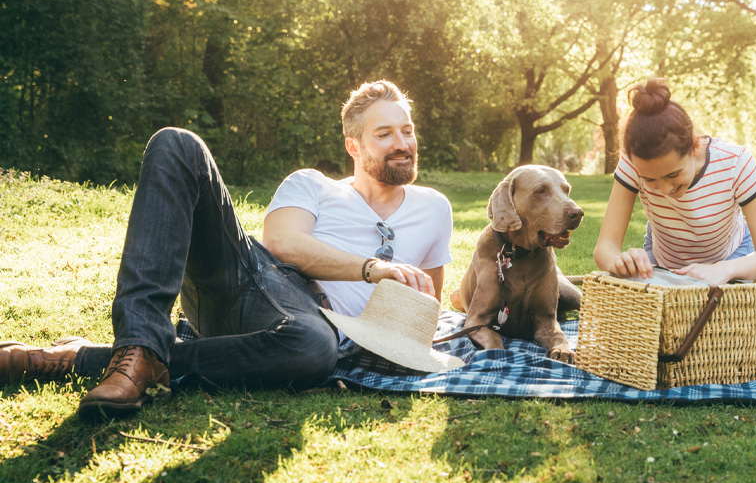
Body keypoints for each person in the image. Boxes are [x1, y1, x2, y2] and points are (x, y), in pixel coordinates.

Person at [0, 80, 453, 419]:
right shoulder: (311, 184)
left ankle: (109, 359)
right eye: (385, 134)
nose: (403, 144)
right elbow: (283, 243)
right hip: (253, 286)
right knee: (178, 144)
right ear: (354, 145)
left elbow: (425, 305)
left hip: (305, 336)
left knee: (314, 349)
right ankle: (138, 342)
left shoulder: (435, 208)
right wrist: (372, 268)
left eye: (407, 131)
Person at [593, 78, 756, 286]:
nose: (664, 189)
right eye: (649, 179)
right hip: (663, 262)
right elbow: (605, 247)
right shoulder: (632, 163)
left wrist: (724, 269)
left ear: (694, 147)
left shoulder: (736, 163)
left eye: (673, 175)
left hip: (732, 259)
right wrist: (619, 262)